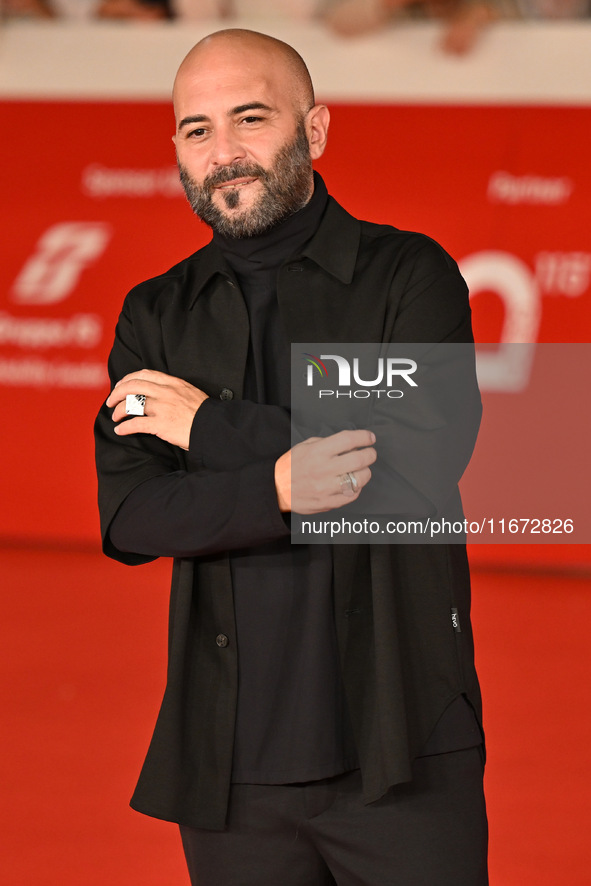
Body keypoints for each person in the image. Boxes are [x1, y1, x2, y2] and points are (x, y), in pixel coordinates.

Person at [95, 28, 487, 885]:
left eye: (249, 118)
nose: (224, 153)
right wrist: (279, 484)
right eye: (197, 130)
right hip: (231, 767)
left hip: (403, 741)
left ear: (313, 131)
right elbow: (131, 515)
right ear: (175, 151)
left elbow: (417, 464)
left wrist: (210, 432)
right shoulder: (155, 313)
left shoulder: (407, 276)